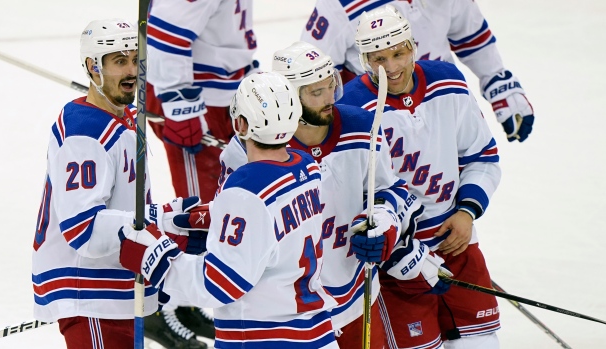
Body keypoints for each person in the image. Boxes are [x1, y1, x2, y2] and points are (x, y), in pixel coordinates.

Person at [217, 41, 429, 349]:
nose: (330, 98)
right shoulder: (248, 150)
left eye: (331, 86)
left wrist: (383, 223)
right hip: (290, 316)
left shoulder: (362, 126)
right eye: (316, 93)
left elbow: (390, 189)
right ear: (289, 98)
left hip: (356, 298)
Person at [119, 72, 340, 349]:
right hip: (317, 335)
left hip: (263, 340)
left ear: (241, 123)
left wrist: (157, 260)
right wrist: (211, 217)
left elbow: (219, 284)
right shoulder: (307, 167)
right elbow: (271, 227)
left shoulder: (246, 190)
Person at [31, 19, 206, 349]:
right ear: (92, 67)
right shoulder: (84, 136)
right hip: (90, 293)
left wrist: (174, 218)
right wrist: (155, 230)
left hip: (118, 288)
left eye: (135, 60)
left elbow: (125, 211)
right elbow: (83, 229)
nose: (131, 71)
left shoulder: (124, 116)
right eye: (118, 61)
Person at [340, 6, 503, 349]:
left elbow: (482, 156)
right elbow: (351, 200)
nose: (393, 67)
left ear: (413, 45)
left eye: (399, 53)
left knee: (482, 344)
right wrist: (395, 250)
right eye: (379, 58)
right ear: (364, 59)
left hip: (457, 244)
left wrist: (466, 213)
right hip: (396, 266)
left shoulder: (449, 82)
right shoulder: (352, 110)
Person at [145, 0, 257, 338]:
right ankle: (157, 305)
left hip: (222, 93)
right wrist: (180, 103)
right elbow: (166, 31)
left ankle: (186, 303)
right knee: (201, 214)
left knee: (221, 208)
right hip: (197, 101)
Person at [301, 0, 534, 143]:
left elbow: (470, 36)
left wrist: (496, 78)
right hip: (379, 126)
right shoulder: (339, 4)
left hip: (444, 108)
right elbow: (313, 75)